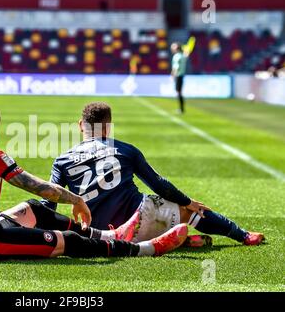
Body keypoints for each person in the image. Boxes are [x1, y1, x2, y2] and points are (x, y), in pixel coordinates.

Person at [0, 104, 188, 261]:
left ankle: (107, 235)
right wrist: (76, 199)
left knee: (34, 208)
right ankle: (143, 249)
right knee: (67, 240)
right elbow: (36, 185)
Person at [41, 102, 264, 246]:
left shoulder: (62, 160)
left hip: (97, 233)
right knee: (191, 212)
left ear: (81, 125)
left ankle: (166, 239)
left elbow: (48, 201)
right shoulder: (126, 149)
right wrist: (188, 202)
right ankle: (243, 236)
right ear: (108, 127)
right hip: (139, 218)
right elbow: (158, 184)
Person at [170, 42, 187, 114]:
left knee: (178, 92)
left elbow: (175, 67)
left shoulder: (176, 56)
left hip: (178, 75)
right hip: (182, 75)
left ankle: (181, 109)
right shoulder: (182, 56)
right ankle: (181, 109)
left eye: (172, 47)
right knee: (179, 92)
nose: (171, 49)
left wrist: (172, 75)